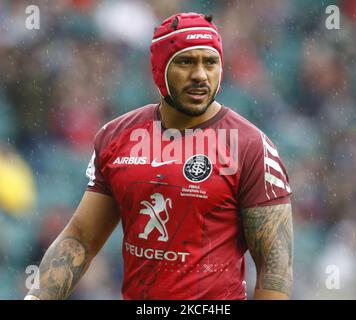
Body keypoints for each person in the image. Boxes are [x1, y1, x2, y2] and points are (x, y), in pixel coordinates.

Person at [25, 12, 293, 300]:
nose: (201, 75)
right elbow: (80, 239)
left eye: (210, 62)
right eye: (186, 62)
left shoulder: (251, 145)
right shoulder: (117, 136)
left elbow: (274, 266)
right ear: (159, 69)